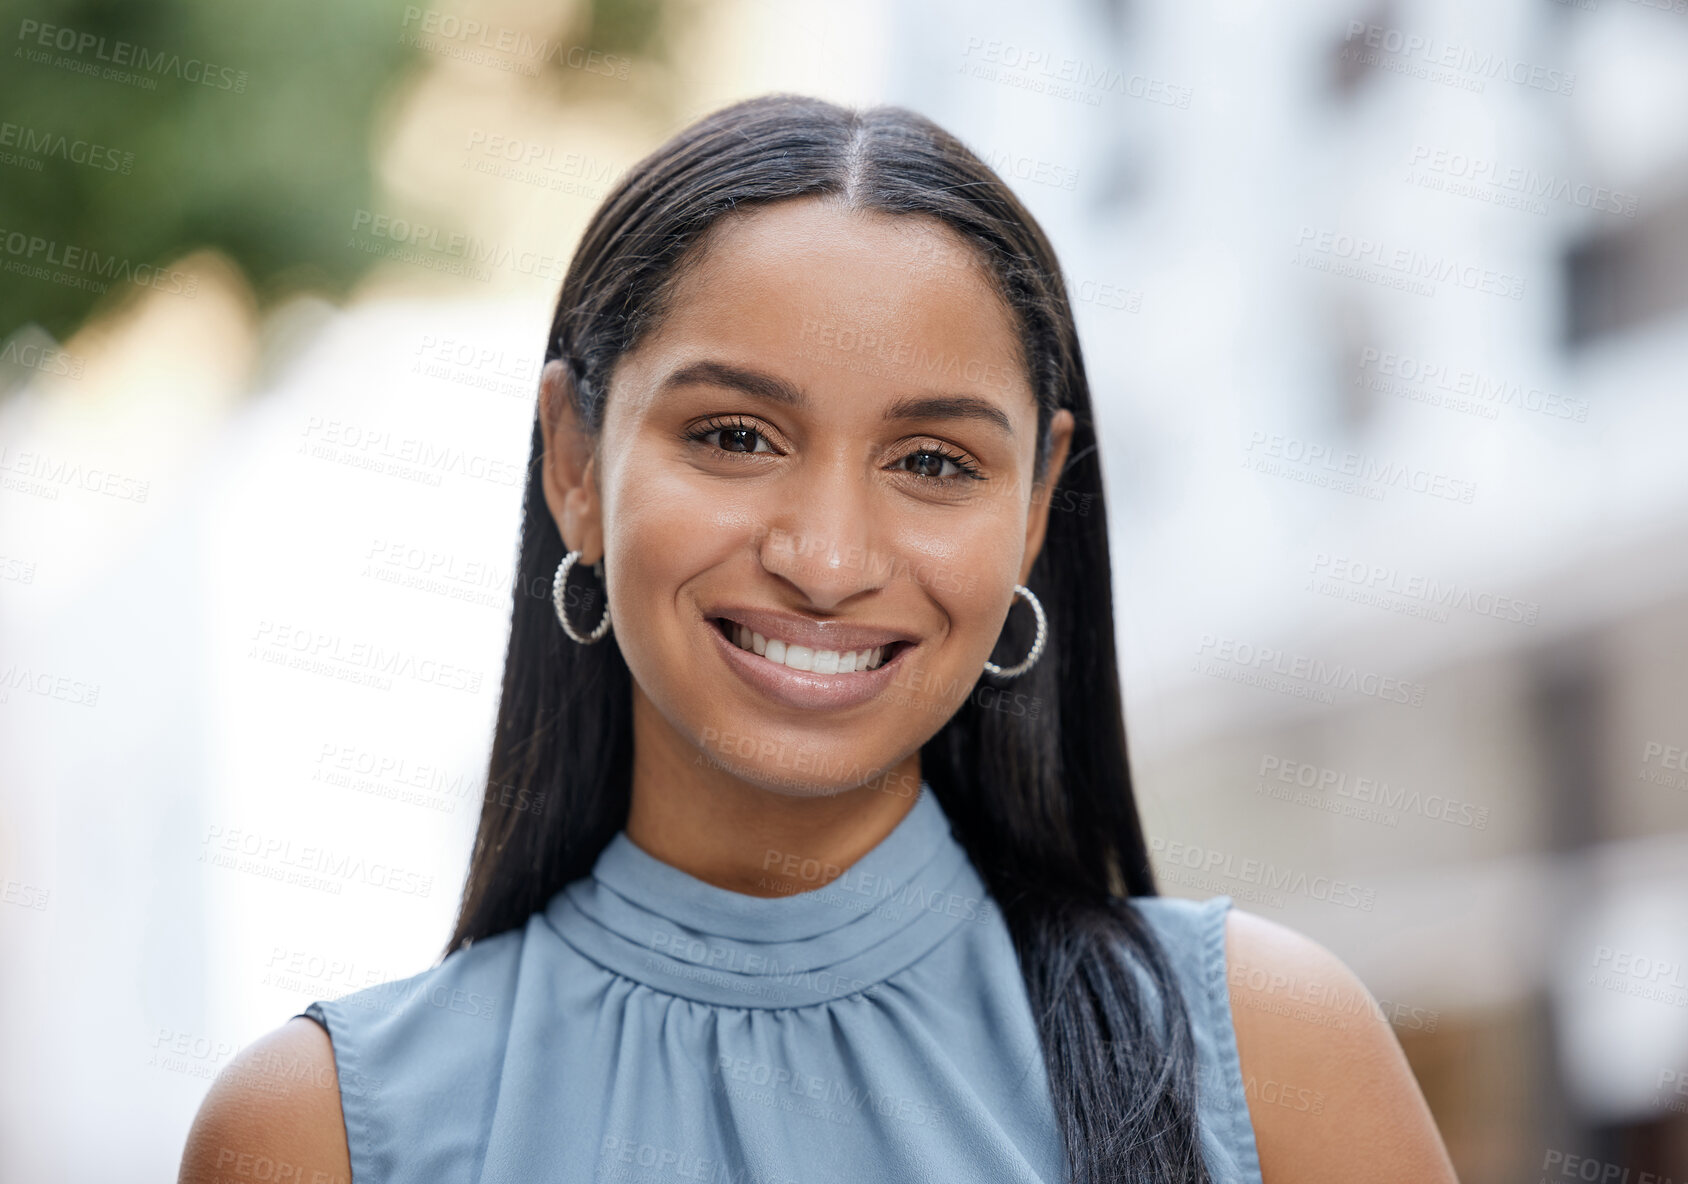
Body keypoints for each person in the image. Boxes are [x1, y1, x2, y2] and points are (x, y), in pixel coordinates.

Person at [179, 93, 1458, 1184]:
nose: (827, 558)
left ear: (1030, 507)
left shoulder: (1266, 1051)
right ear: (574, 460)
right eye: (734, 435)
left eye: (931, 459)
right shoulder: (323, 1132)